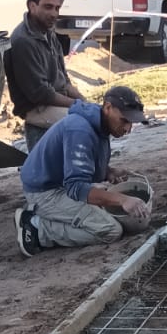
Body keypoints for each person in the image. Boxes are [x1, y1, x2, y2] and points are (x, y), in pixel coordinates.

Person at [17, 85, 154, 256]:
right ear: (108, 107)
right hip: (44, 192)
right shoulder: (80, 130)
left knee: (106, 204)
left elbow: (75, 164)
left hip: (60, 183)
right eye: (124, 120)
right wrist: (122, 199)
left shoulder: (100, 123)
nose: (128, 129)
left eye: (131, 123)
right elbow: (76, 187)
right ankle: (37, 228)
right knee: (110, 230)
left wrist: (108, 171)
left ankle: (52, 217)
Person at [5, 0, 82, 141]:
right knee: (83, 123)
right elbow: (40, 94)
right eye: (48, 7)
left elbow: (64, 79)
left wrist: (84, 101)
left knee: (97, 116)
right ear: (32, 6)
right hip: (36, 108)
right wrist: (77, 105)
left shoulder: (48, 32)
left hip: (54, 101)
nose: (54, 13)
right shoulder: (23, 41)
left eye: (57, 8)